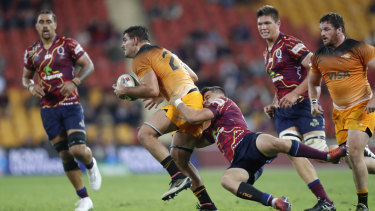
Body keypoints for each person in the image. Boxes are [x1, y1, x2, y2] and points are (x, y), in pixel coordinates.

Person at [170, 86, 347, 211]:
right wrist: (179, 133)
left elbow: (193, 117)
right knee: (227, 181)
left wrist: (177, 101)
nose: (205, 101)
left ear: (218, 95)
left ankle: (326, 156)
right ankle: (276, 202)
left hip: (249, 142)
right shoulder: (212, 127)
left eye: (207, 97)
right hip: (240, 162)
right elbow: (196, 142)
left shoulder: (222, 101)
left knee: (276, 143)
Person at [112, 25, 217, 211]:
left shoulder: (140, 58)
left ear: (135, 41)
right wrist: (163, 91)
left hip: (183, 101)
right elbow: (193, 76)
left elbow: (150, 89)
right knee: (180, 160)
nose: (122, 45)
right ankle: (208, 205)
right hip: (194, 99)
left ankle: (176, 177)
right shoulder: (165, 52)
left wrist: (125, 91)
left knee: (145, 134)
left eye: (125, 40)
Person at [256, 5, 335, 211]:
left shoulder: (290, 43)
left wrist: (295, 94)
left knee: (322, 155)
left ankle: (355, 153)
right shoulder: (267, 52)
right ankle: (325, 202)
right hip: (284, 112)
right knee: (291, 150)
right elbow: (280, 84)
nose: (263, 27)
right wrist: (275, 103)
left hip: (304, 107)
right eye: (260, 24)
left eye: (267, 23)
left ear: (277, 23)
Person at [22, 10, 101, 211]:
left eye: (49, 21)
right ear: (36, 26)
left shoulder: (69, 44)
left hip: (70, 105)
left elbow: (89, 66)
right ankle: (85, 198)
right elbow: (26, 78)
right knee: (65, 155)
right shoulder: (31, 52)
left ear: (55, 25)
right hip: (48, 109)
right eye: (41, 22)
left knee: (76, 150)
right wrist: (31, 87)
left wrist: (75, 81)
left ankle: (90, 163)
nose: (45, 25)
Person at [308, 12, 375, 211]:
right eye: (321, 30)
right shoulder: (319, 55)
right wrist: (313, 101)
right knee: (353, 161)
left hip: (362, 107)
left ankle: (363, 205)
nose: (323, 33)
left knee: (353, 153)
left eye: (327, 29)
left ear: (339, 30)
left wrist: (374, 98)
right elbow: (313, 83)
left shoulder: (359, 48)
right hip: (339, 113)